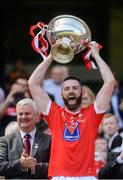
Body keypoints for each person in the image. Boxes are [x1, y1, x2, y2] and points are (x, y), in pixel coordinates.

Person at [28, 41, 115, 179]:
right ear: (61, 94)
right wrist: (51, 55)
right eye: (67, 89)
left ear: (82, 93)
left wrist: (96, 56)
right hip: (59, 175)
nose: (71, 91)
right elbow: (32, 84)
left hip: (86, 176)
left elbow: (110, 82)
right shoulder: (53, 113)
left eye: (75, 88)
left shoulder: (93, 113)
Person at [0, 98, 51, 179]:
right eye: (20, 114)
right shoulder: (5, 141)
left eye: (27, 113)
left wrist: (35, 167)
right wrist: (21, 164)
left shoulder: (49, 140)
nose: (23, 117)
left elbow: (56, 165)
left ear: (36, 116)